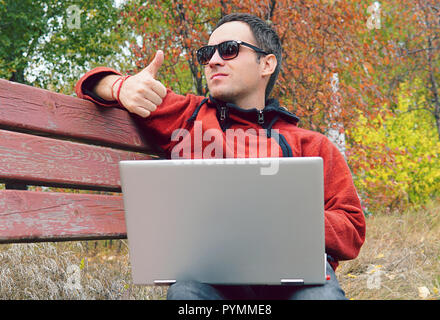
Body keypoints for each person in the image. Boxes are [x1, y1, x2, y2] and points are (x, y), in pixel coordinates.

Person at [75, 13, 365, 300]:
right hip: (212, 277)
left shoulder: (313, 145)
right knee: (187, 292)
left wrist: (289, 220)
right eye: (206, 53)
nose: (213, 61)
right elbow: (89, 84)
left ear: (266, 63)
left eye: (229, 50)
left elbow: (352, 227)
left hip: (297, 280)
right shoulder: (186, 117)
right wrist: (119, 86)